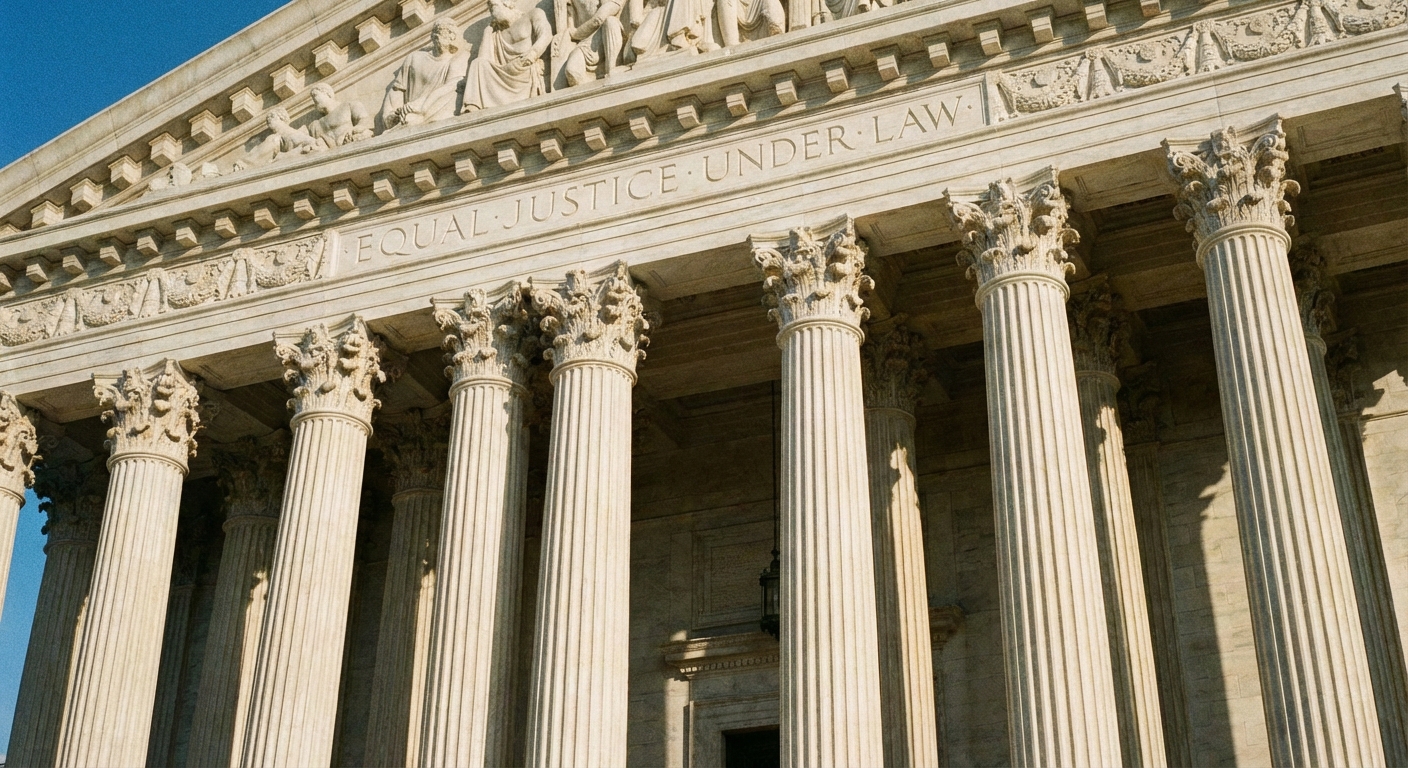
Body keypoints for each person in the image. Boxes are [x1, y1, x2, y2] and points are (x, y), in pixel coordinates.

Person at [461, 0, 553, 113]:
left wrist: (532, 54)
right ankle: (473, 104)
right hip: (503, 73)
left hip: (524, 67)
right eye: (489, 9)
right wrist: (487, 32)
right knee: (477, 63)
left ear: (507, 3)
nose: (491, 12)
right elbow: (484, 59)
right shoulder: (495, 33)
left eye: (493, 6)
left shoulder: (533, 14)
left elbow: (546, 34)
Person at [380, 20, 469, 129]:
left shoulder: (458, 59)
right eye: (440, 31)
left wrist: (420, 105)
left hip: (431, 109)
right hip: (407, 113)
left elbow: (451, 87)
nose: (444, 36)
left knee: (455, 93)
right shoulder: (415, 58)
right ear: (433, 36)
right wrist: (390, 114)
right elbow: (397, 89)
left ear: (454, 37)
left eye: (449, 32)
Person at [558, 0, 625, 87]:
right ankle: (596, 82)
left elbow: (599, 18)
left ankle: (612, 69)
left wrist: (575, 33)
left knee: (610, 21)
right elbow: (568, 24)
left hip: (606, 34)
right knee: (572, 71)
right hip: (586, 42)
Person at [307, 83, 374, 147]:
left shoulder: (349, 105)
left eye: (315, 95)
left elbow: (365, 121)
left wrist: (354, 129)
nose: (313, 100)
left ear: (327, 93)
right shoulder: (316, 124)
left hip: (352, 144)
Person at [252, 107, 319, 165]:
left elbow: (311, 142)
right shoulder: (275, 137)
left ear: (281, 118)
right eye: (267, 119)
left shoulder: (290, 133)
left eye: (272, 116)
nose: (269, 119)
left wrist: (283, 156)